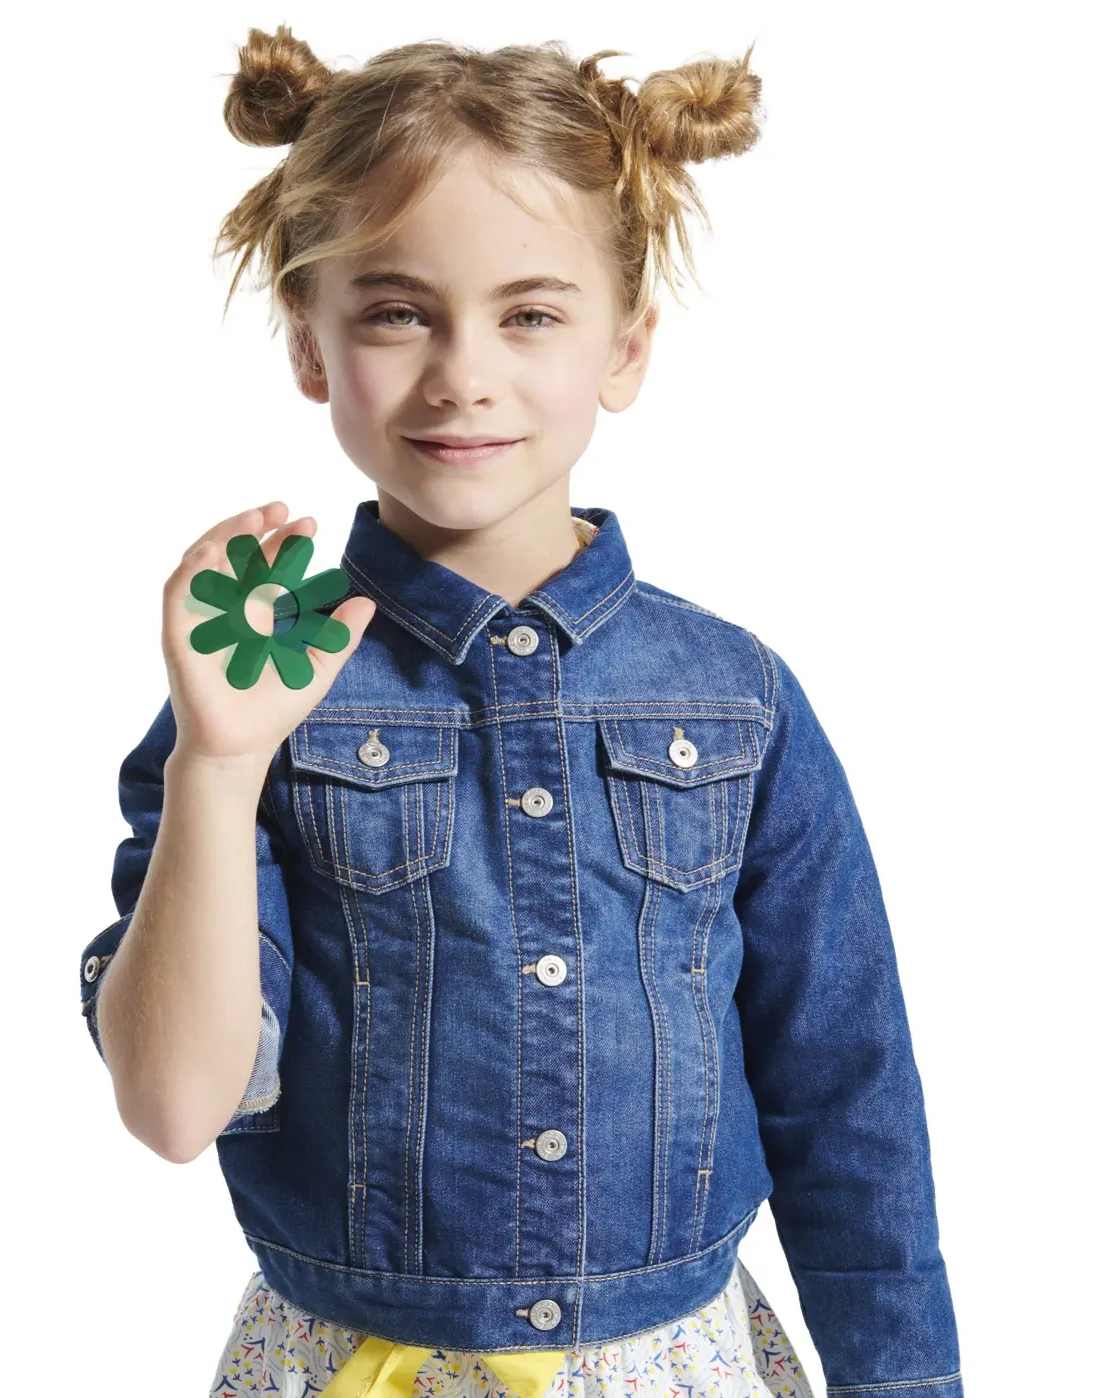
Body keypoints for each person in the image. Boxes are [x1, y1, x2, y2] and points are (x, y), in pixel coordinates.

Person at [78, 26, 963, 1398]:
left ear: (626, 345)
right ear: (309, 344)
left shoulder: (736, 699)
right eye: (394, 310)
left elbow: (847, 1101)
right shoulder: (250, 700)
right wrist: (216, 762)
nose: (462, 373)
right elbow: (176, 1103)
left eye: (529, 313)